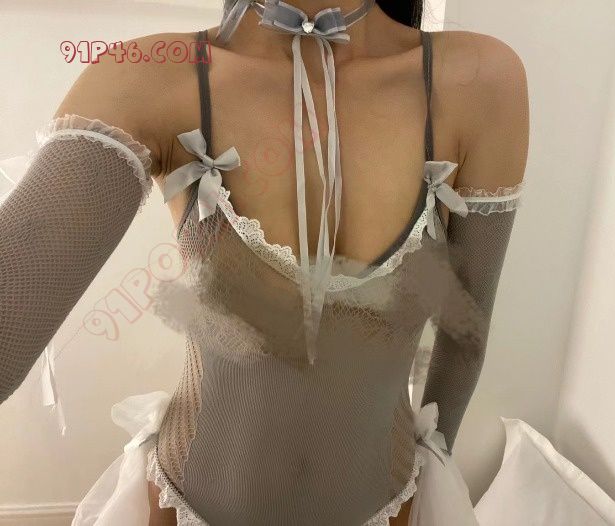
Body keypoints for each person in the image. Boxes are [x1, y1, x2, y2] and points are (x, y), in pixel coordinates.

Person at [0, 1, 529, 524]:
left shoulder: (477, 79)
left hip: (388, 505)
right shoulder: (148, 78)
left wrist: (435, 484)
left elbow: (465, 334)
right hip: (188, 507)